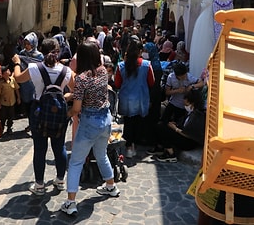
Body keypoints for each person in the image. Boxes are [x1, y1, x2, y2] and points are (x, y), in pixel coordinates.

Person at [61, 41, 120, 215]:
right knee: (101, 155)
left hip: (89, 122)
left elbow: (77, 108)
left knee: (76, 162)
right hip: (105, 120)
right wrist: (74, 94)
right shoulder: (103, 71)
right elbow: (93, 91)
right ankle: (111, 186)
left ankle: (70, 203)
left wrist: (66, 113)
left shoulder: (81, 78)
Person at [12, 38, 74, 195]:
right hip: (59, 110)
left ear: (41, 52)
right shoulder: (66, 71)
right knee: (59, 146)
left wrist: (17, 62)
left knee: (40, 148)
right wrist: (65, 96)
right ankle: (60, 180)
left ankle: (39, 185)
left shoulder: (34, 67)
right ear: (58, 51)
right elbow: (76, 90)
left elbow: (18, 78)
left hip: (38, 109)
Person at [115, 39, 155, 158]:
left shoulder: (121, 66)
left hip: (126, 98)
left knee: (128, 122)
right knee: (138, 122)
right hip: (141, 98)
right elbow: (152, 82)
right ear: (140, 51)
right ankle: (134, 145)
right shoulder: (147, 65)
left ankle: (128, 146)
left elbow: (117, 84)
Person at [155, 89, 206, 162]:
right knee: (162, 125)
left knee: (161, 128)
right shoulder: (191, 113)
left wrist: (175, 129)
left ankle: (171, 154)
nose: (185, 107)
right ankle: (161, 148)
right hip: (183, 135)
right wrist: (176, 125)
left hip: (188, 142)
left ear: (192, 103)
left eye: (186, 105)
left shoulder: (198, 116)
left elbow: (190, 134)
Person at [0, 65, 20, 135]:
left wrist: (18, 97)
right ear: (3, 74)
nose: (8, 71)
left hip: (12, 102)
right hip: (4, 103)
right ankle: (1, 128)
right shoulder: (1, 83)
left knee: (11, 116)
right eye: (7, 70)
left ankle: (9, 128)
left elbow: (16, 89)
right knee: (3, 117)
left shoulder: (12, 80)